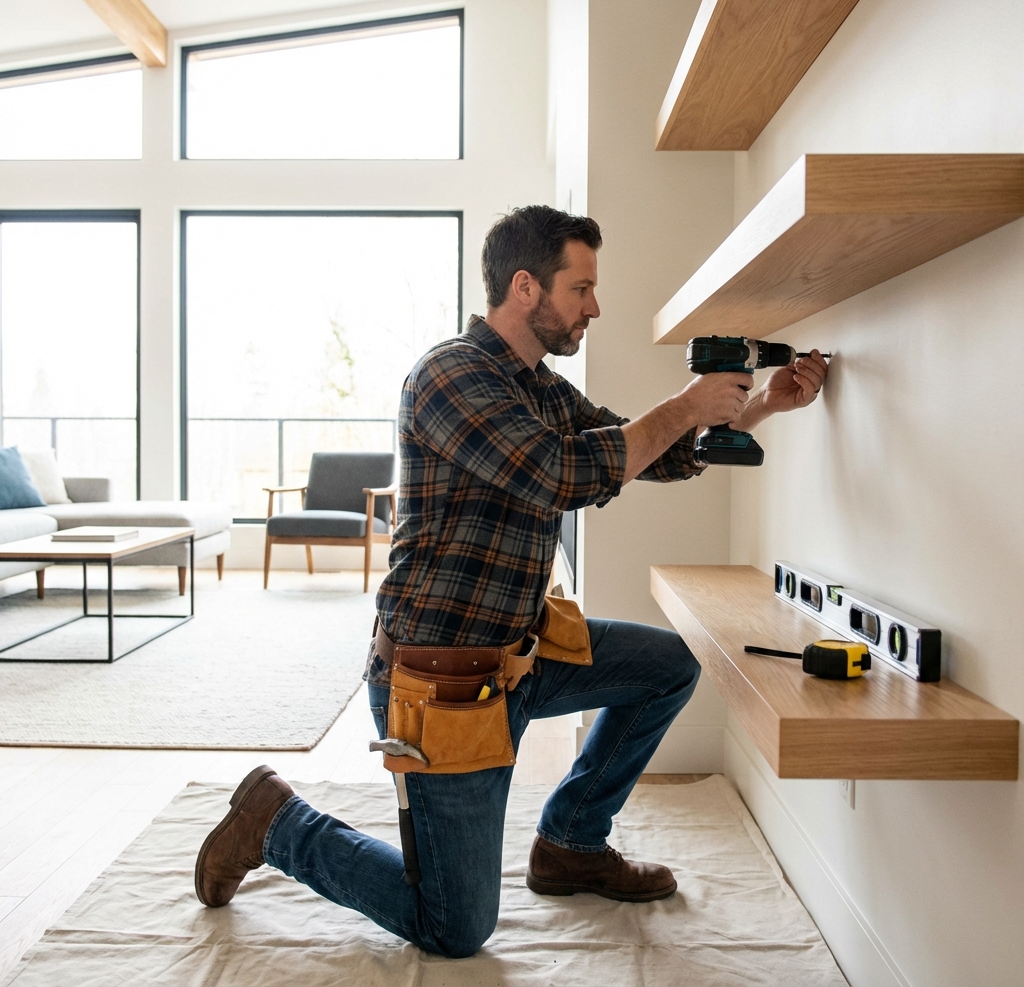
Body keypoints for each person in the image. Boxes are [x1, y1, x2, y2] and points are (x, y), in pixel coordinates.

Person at [194, 206, 828, 957]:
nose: (595, 306)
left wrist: (760, 407)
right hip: (442, 681)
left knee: (667, 666)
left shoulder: (541, 387)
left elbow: (642, 452)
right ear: (525, 287)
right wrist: (688, 403)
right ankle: (276, 822)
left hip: (523, 654)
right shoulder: (449, 375)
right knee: (454, 927)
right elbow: (556, 473)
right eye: (581, 287)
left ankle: (570, 843)